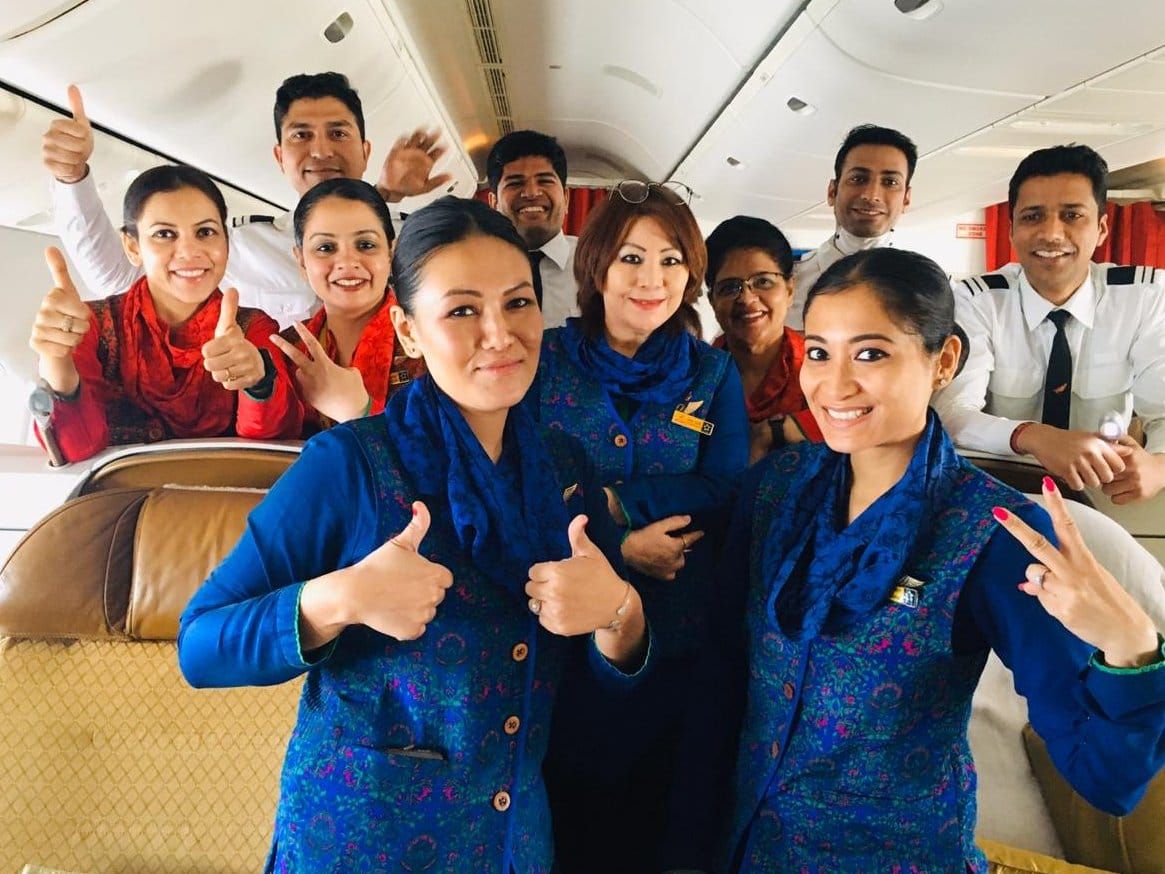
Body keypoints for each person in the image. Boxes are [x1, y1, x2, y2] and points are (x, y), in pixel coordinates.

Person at [177, 196, 650, 872]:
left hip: (511, 842)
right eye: (461, 311)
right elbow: (200, 646)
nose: (499, 334)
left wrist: (619, 614)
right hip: (363, 843)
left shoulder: (568, 469)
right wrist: (337, 599)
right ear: (406, 329)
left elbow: (612, 682)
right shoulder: (351, 466)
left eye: (517, 303)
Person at [700, 247, 1165, 872]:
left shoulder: (994, 531)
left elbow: (1106, 779)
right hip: (751, 846)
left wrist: (1131, 649)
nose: (834, 384)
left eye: (870, 353)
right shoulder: (776, 491)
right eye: (818, 352)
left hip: (898, 856)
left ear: (943, 360)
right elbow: (723, 671)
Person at [536, 180, 748, 872]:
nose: (651, 280)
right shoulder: (543, 361)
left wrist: (617, 502)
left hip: (678, 624)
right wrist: (619, 543)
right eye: (631, 258)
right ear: (595, 266)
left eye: (670, 260)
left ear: (691, 274)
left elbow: (722, 484)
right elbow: (527, 486)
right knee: (569, 804)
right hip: (560, 633)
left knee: (660, 811)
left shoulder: (712, 374)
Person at [42, 73, 452, 326]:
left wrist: (380, 200)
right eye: (301, 135)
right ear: (279, 156)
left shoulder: (411, 243)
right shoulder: (238, 248)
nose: (322, 151)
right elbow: (121, 281)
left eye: (338, 133)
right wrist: (72, 176)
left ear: (365, 151)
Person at [935, 144, 1165, 504]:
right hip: (997, 488)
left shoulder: (1144, 299)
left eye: (1072, 215)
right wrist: (1035, 437)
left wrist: (1158, 466)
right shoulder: (977, 301)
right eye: (1032, 216)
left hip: (1105, 489)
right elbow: (951, 413)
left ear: (1102, 229)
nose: (1052, 234)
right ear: (1011, 230)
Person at [28, 164, 300, 463]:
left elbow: (270, 449)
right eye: (165, 234)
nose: (188, 251)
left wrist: (257, 381)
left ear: (225, 242)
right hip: (123, 500)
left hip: (223, 501)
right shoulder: (91, 324)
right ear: (133, 246)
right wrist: (56, 362)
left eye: (205, 232)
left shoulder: (252, 329)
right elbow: (75, 449)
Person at [268, 178, 422, 434]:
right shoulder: (288, 349)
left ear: (390, 253)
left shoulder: (428, 339)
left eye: (366, 245)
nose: (347, 262)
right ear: (302, 262)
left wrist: (360, 411)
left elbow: (446, 457)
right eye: (325, 248)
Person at [706, 215, 823, 462]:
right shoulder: (692, 378)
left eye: (763, 282)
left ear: (790, 290)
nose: (747, 299)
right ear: (712, 301)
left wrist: (779, 430)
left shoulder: (824, 370)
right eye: (730, 287)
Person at [788, 124, 916, 330]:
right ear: (832, 191)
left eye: (890, 182)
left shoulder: (928, 288)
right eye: (858, 179)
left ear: (906, 200)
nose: (871, 194)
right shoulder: (788, 286)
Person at [486, 129, 579, 328]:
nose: (531, 192)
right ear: (493, 203)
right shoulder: (474, 266)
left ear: (566, 198)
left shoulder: (597, 264)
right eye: (515, 183)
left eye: (545, 181)